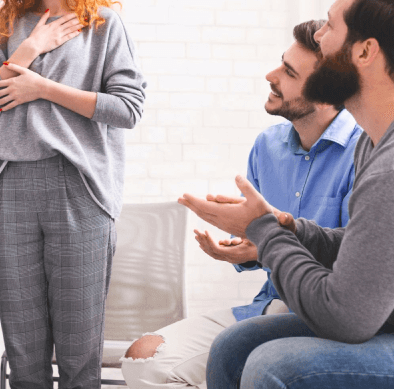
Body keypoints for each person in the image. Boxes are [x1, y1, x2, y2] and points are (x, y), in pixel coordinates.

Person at [180, 0, 394, 388]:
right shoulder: (380, 134)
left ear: (365, 52)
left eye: (330, 26)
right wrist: (289, 227)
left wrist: (263, 231)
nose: (318, 35)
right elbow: (369, 250)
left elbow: (343, 317)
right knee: (235, 346)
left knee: (276, 365)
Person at [0, 0, 146, 389]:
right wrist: (27, 52)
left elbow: (127, 109)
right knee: (24, 355)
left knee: (78, 355)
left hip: (79, 189)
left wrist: (42, 89)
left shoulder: (104, 24)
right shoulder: (11, 26)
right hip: (10, 189)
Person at [120, 20, 362, 388]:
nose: (271, 74)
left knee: (254, 370)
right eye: (281, 62)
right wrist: (248, 249)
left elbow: (353, 263)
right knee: (143, 360)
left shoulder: (366, 152)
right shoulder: (268, 145)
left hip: (321, 317)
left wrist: (269, 238)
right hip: (269, 304)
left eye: (288, 72)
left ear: (325, 93)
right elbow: (263, 245)